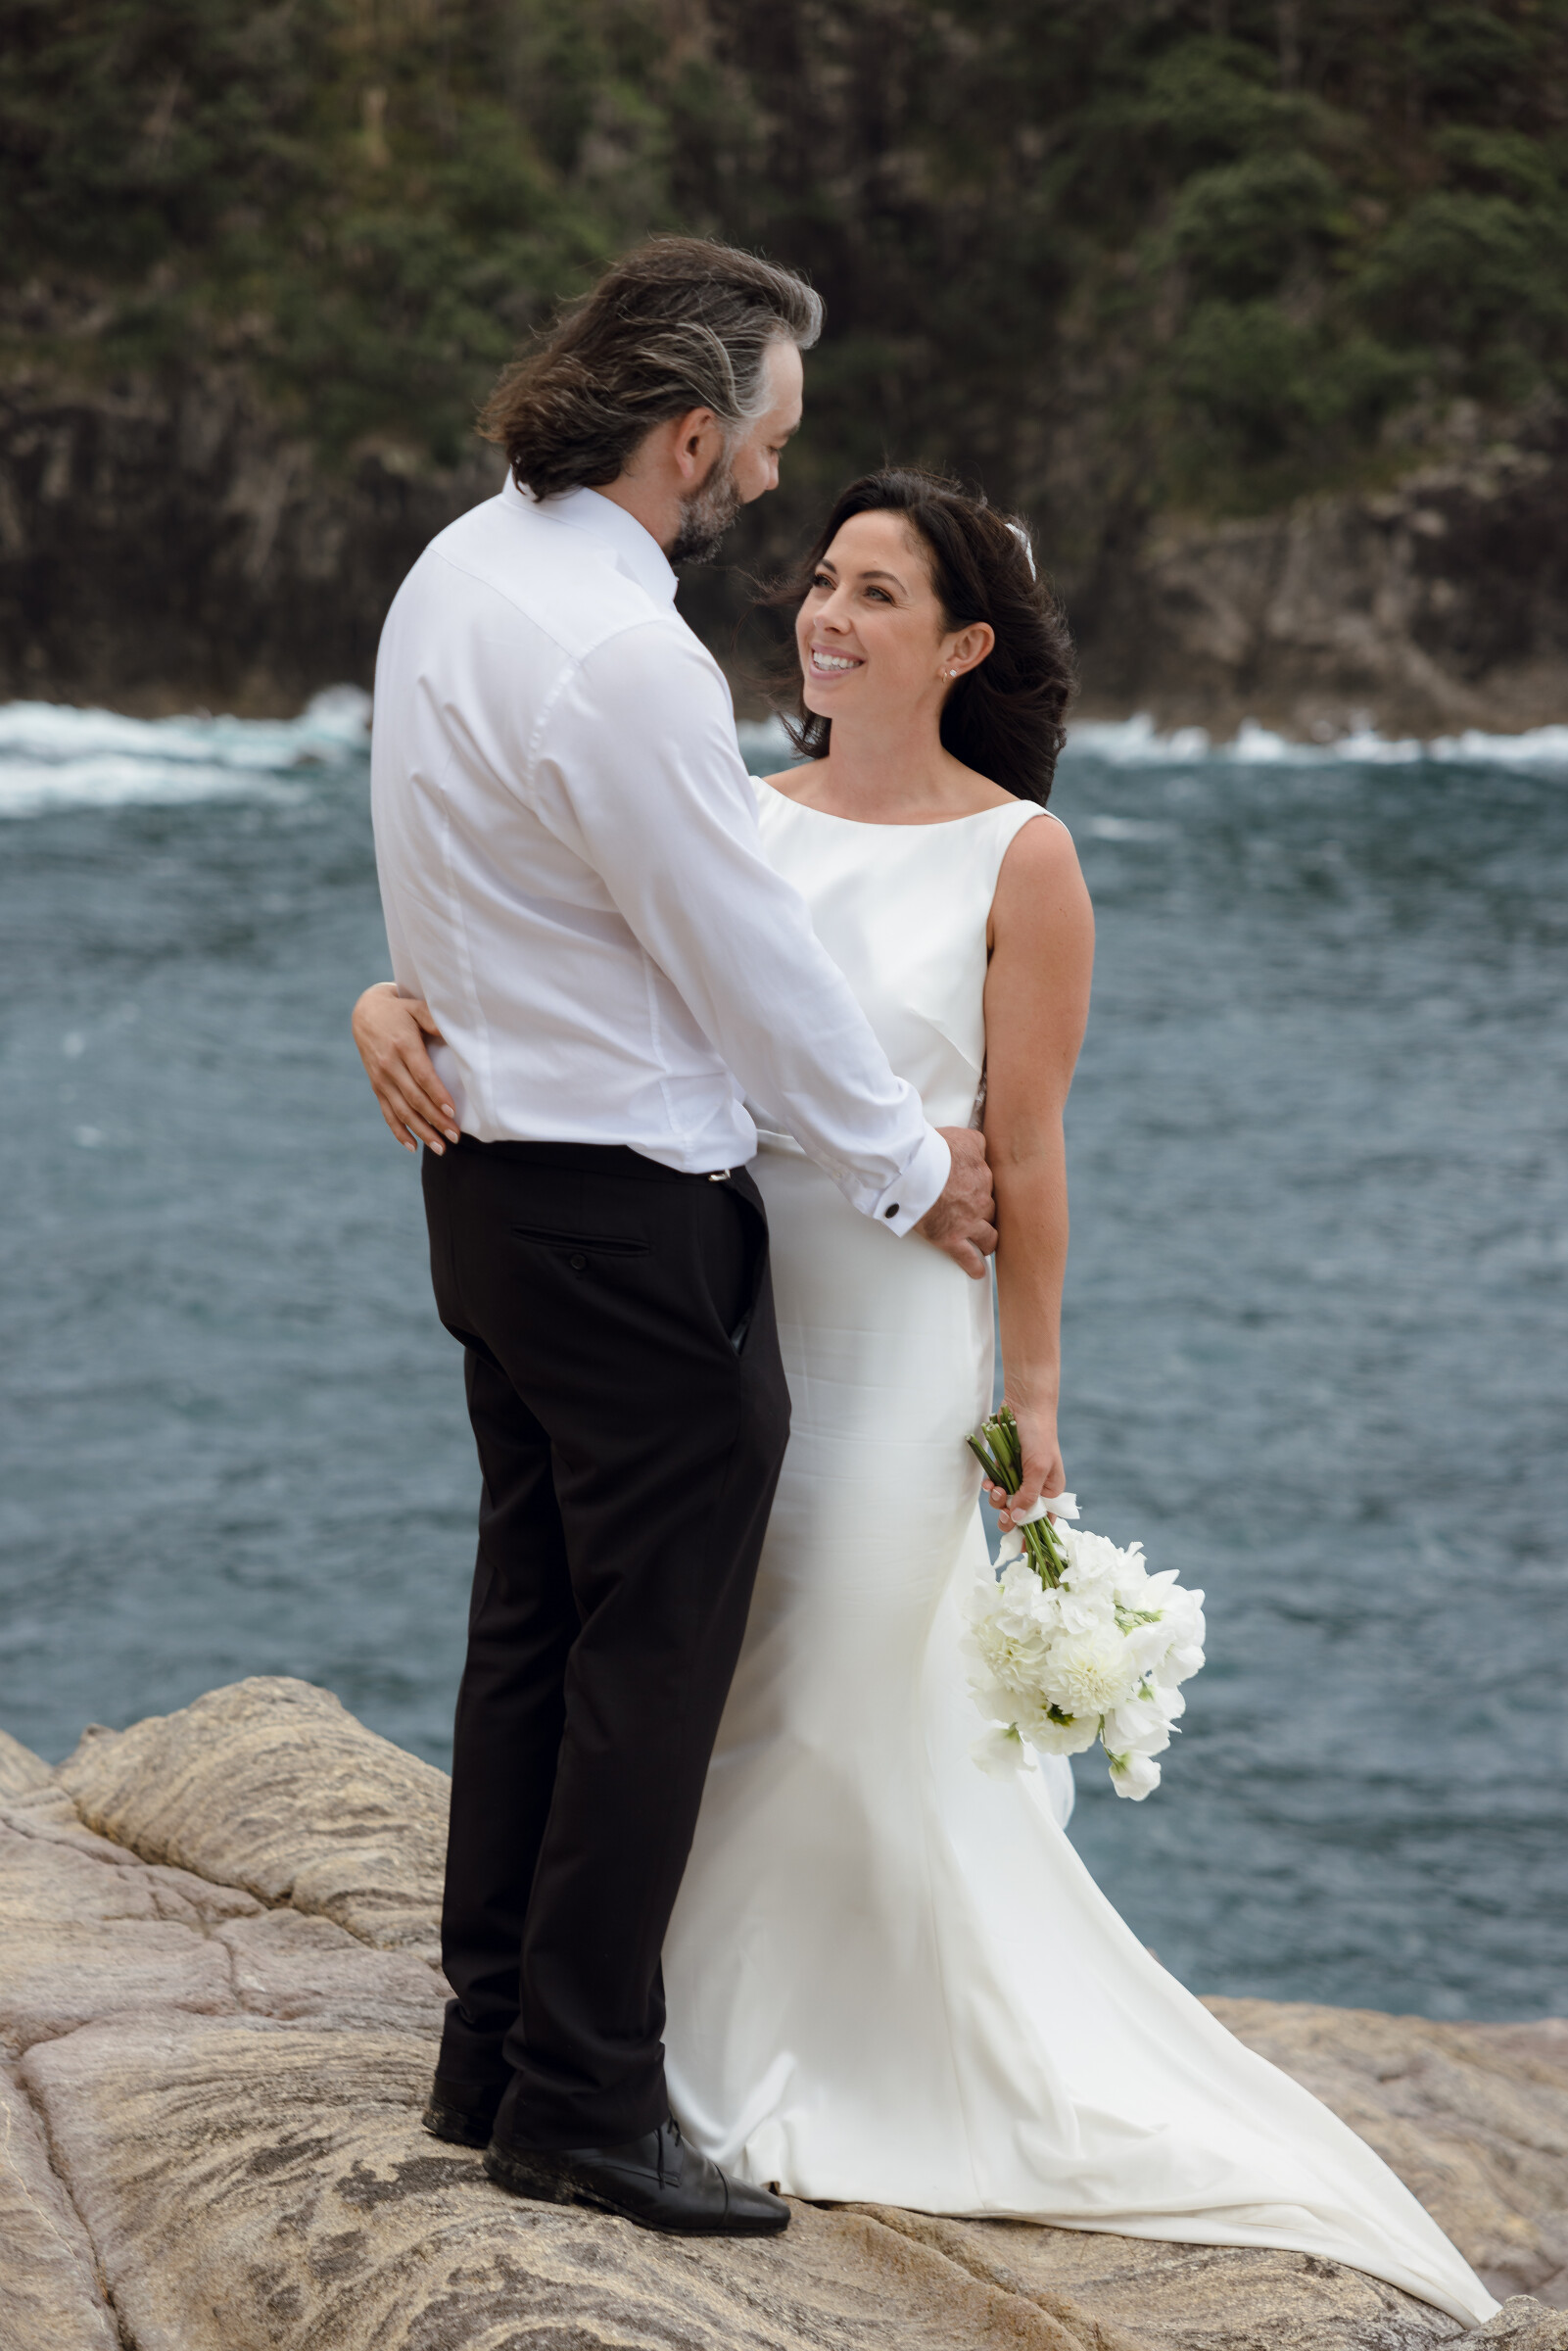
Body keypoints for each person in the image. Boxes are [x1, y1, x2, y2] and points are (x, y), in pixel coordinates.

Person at [356, 461, 1497, 2330]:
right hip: (722, 1289)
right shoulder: (734, 810)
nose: (824, 614)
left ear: (964, 647)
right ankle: (640, 2046)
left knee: (825, 1681)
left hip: (896, 1335)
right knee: (705, 1679)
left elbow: (1027, 1156)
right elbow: (577, 969)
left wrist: (1031, 1397)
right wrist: (387, 1001)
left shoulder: (1018, 858)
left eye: (876, 594)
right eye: (821, 579)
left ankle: (761, 2056)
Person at [360, 239, 1001, 2240]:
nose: (779, 483)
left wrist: (396, 997)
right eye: (771, 444)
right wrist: (905, 1167)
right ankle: (581, 2102)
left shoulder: (458, 569)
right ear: (694, 435)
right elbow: (744, 961)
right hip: (631, 1220)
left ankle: (489, 2053)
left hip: (488, 1192)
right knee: (648, 1666)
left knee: (533, 1631)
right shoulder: (625, 654)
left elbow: (453, 862)